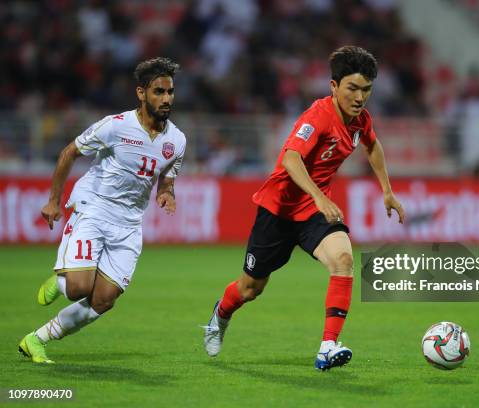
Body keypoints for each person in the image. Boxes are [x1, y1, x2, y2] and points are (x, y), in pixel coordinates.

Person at [202, 46, 405, 371]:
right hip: (278, 211)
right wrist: (319, 195)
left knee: (343, 259)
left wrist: (387, 190)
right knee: (250, 288)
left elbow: (373, 144)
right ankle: (220, 315)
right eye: (352, 88)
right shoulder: (318, 116)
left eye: (366, 90)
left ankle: (327, 346)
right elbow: (290, 158)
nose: (360, 97)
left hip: (313, 213)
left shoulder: (360, 120)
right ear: (334, 87)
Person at [19, 57, 186, 363]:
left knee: (104, 300)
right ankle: (61, 281)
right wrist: (54, 200)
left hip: (130, 225)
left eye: (170, 92)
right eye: (159, 92)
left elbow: (166, 179)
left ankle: (36, 339)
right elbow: (70, 152)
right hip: (95, 211)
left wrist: (167, 194)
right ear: (141, 93)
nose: (166, 99)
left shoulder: (177, 140)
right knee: (77, 288)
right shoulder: (116, 126)